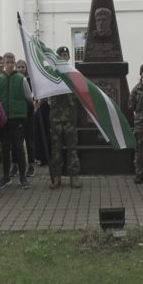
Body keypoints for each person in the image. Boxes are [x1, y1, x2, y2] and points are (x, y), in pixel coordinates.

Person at [0, 53, 33, 190]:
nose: (10, 64)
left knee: (18, 147)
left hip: (18, 118)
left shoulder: (21, 79)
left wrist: (36, 101)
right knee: (5, 148)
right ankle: (5, 177)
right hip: (3, 119)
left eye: (12, 62)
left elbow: (29, 97)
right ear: (3, 63)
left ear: (14, 63)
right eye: (7, 62)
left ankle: (22, 176)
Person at [49, 47, 81, 189]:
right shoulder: (52, 74)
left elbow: (80, 94)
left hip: (69, 118)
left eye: (65, 55)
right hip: (55, 118)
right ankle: (56, 177)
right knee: (56, 150)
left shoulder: (73, 74)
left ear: (68, 57)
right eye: (60, 55)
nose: (63, 57)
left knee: (72, 149)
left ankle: (74, 177)